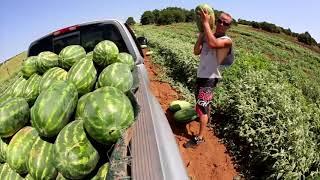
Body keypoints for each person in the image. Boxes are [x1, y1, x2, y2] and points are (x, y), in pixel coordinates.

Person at [183, 9, 233, 148]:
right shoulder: (208, 35)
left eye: (226, 23)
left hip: (209, 79)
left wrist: (205, 23)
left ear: (229, 26)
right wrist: (202, 34)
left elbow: (213, 44)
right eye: (220, 21)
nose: (222, 24)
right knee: (204, 104)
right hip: (202, 75)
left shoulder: (226, 40)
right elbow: (196, 51)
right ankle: (206, 120)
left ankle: (199, 138)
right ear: (216, 20)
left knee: (201, 107)